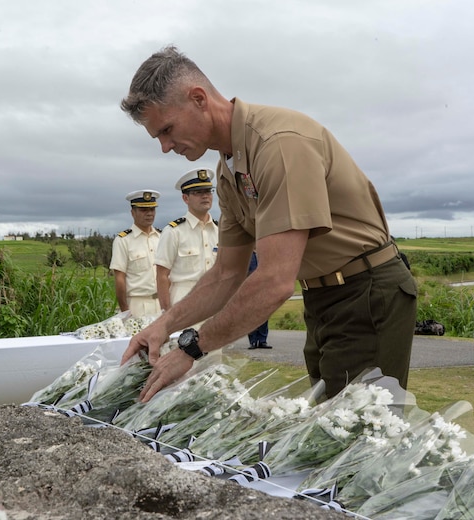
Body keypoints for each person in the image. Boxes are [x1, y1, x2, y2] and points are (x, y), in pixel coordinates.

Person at [119, 45, 416, 402]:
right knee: (329, 427)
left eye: (167, 129)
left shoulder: (277, 144)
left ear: (198, 98)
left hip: (365, 293)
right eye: (158, 138)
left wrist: (190, 350)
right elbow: (227, 273)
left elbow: (274, 280)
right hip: (324, 296)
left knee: (359, 436)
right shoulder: (228, 167)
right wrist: (164, 325)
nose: (166, 147)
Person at [154, 168, 219, 311]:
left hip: (215, 303)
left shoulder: (220, 230)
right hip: (183, 302)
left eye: (208, 191)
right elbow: (162, 276)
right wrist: (167, 313)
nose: (205, 196)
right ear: (186, 198)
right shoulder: (173, 232)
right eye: (198, 193)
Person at [109, 190, 163, 318]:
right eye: (144, 210)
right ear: (133, 213)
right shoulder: (123, 240)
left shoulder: (161, 238)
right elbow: (120, 278)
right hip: (137, 305)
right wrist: (125, 313)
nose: (149, 214)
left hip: (162, 303)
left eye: (152, 209)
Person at [246, 251, 271, 349]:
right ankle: (253, 341)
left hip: (264, 288)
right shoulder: (247, 255)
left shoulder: (263, 252)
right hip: (249, 289)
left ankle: (262, 341)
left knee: (264, 314)